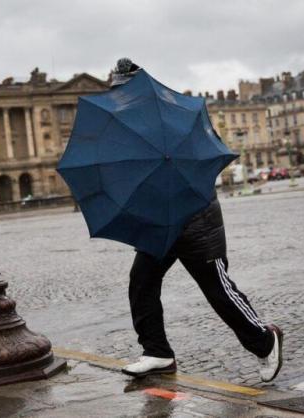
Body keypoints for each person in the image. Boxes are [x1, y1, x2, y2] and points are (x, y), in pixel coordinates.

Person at [111, 58, 284, 383]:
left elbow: (211, 152)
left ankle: (265, 341)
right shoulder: (132, 126)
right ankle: (157, 352)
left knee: (217, 288)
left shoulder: (177, 115)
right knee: (141, 281)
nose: (119, 99)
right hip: (161, 220)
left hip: (194, 218)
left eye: (123, 92)